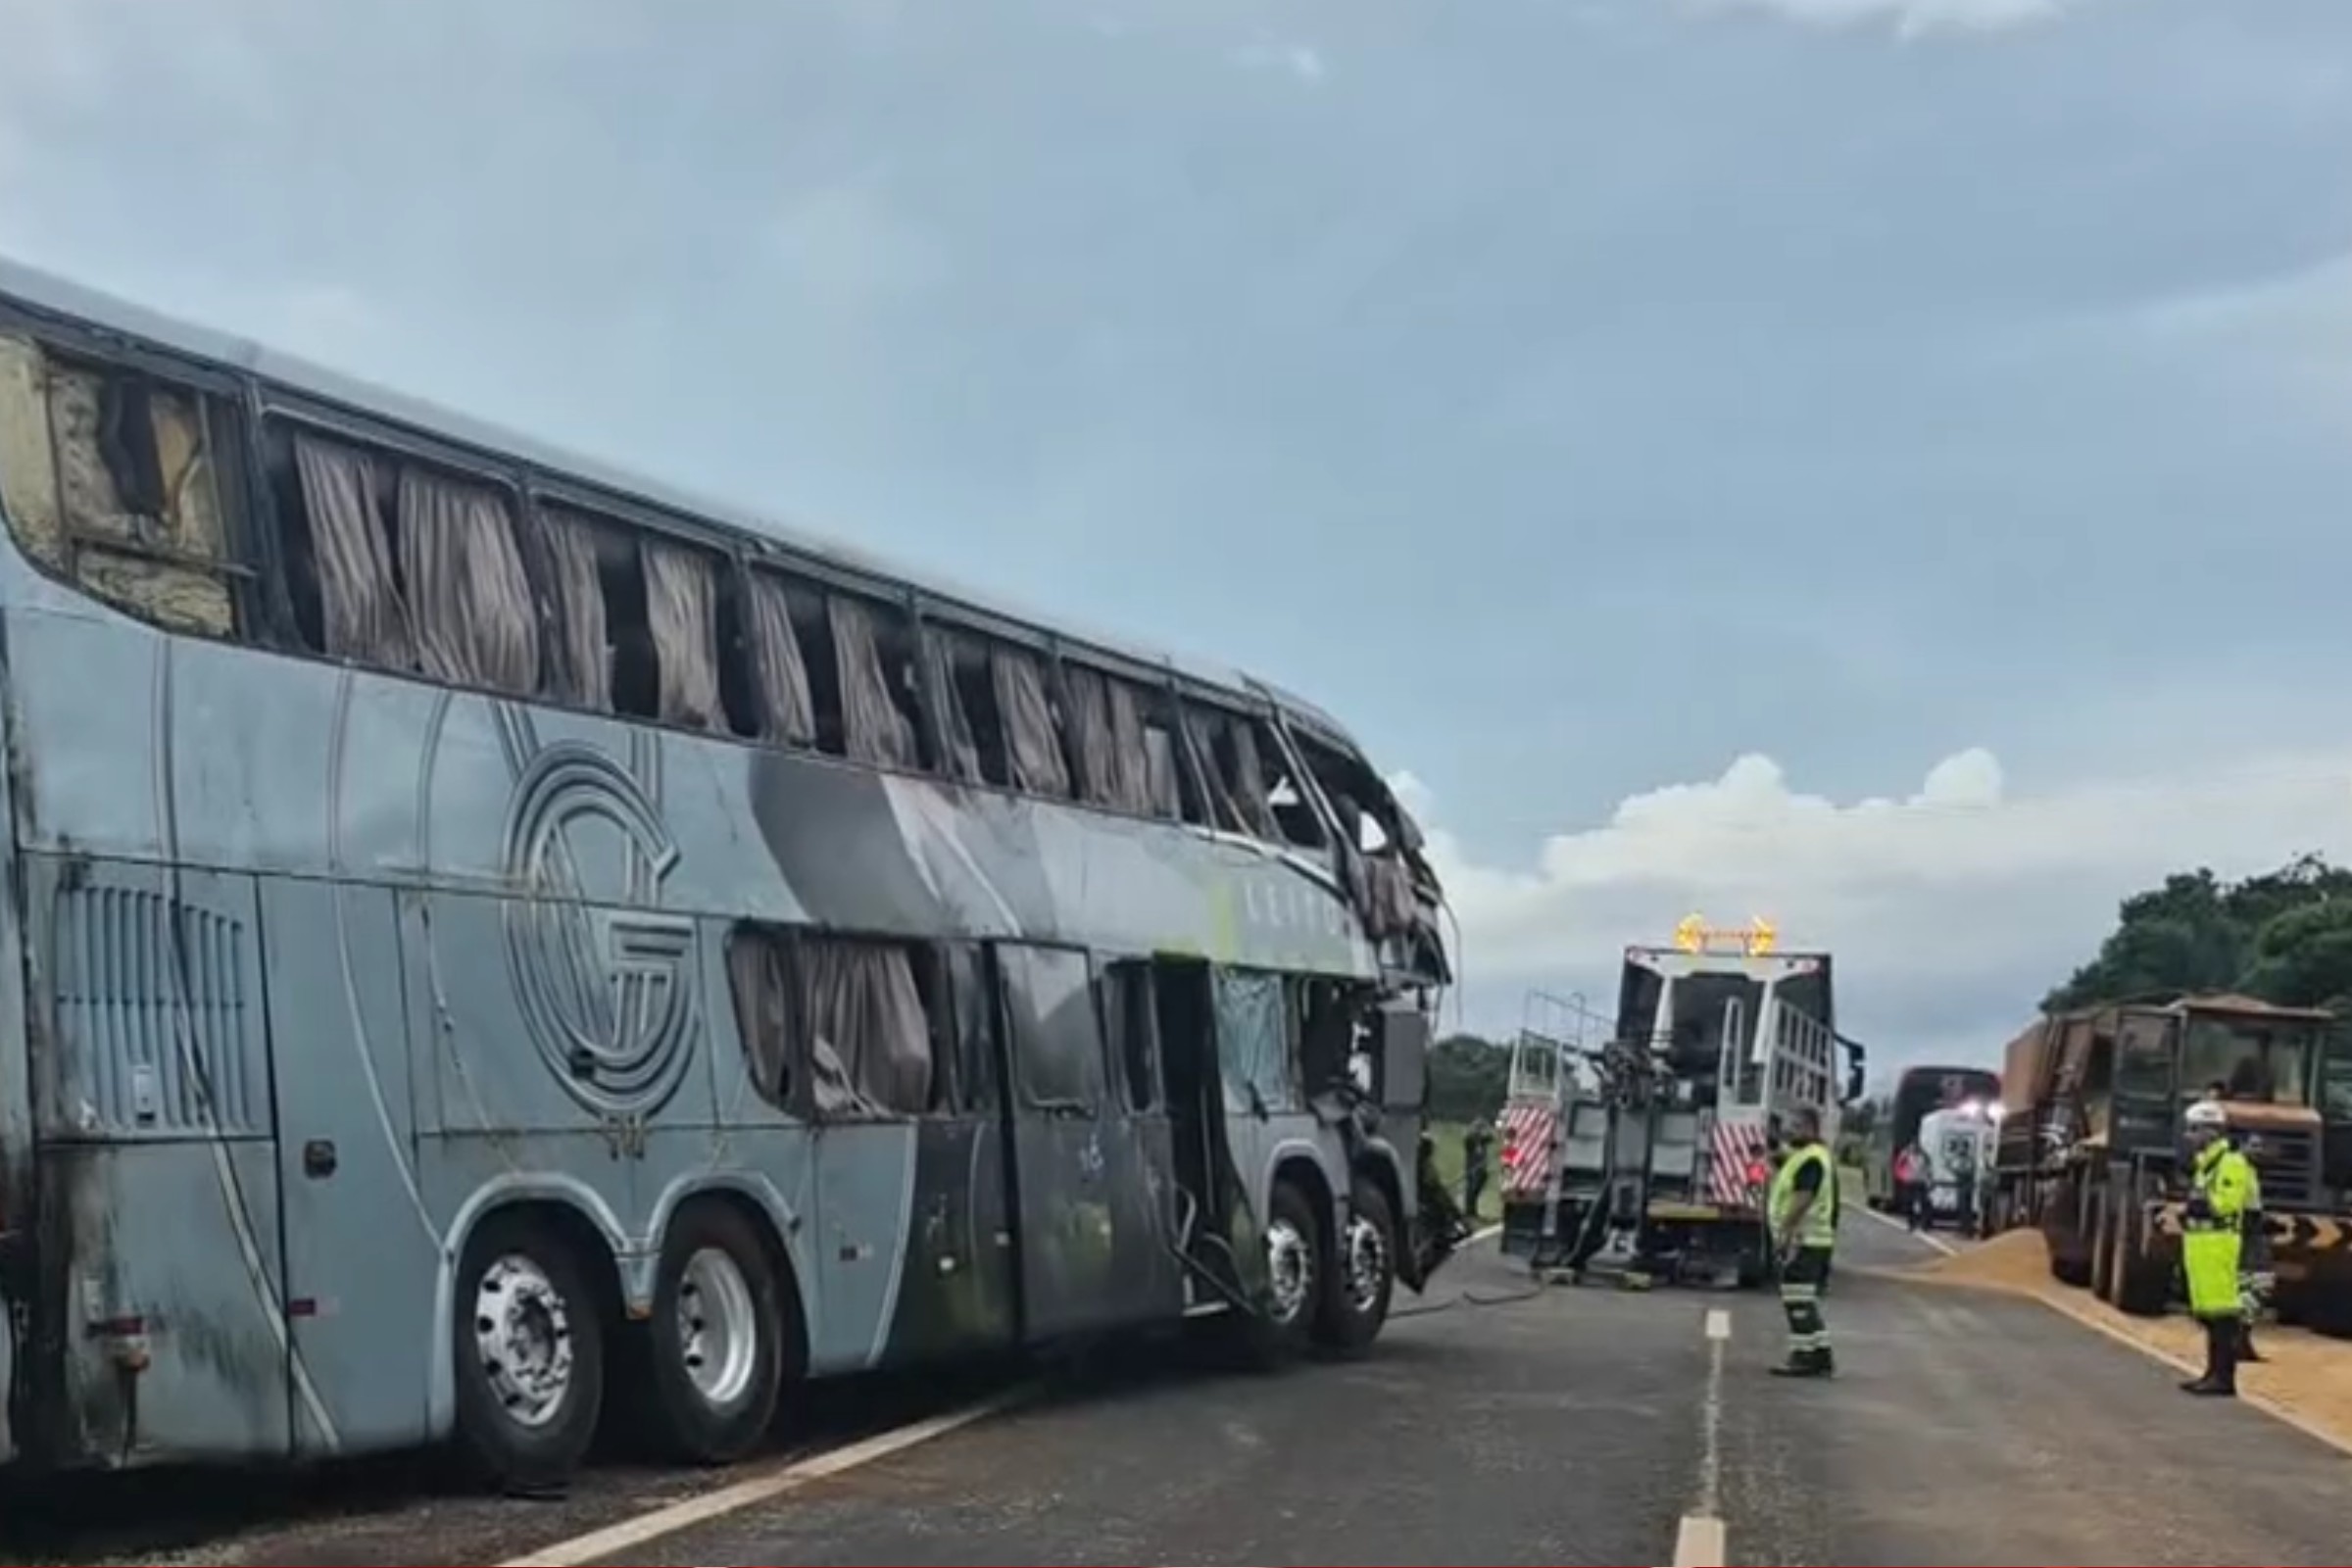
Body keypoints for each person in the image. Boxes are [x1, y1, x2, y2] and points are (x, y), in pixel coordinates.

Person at [2180, 1098, 2256, 1397]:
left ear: (2210, 1132)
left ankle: (2223, 1378)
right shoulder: (2206, 1165)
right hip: (2202, 1243)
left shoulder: (2230, 1163)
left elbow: (2227, 1203)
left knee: (2222, 1313)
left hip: (2219, 1243)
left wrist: (2203, 1205)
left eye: (2193, 1130)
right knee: (2208, 1313)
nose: (2189, 1137)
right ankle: (2212, 1373)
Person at [1768, 1104, 1838, 1378]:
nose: (1790, 1130)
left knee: (1797, 1299)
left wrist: (1785, 1232)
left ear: (1810, 1128)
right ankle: (1820, 1353)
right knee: (1804, 1298)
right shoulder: (1808, 1156)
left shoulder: (1811, 1159)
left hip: (1805, 1239)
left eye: (1796, 1125)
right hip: (1812, 1240)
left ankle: (1804, 1356)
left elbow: (1802, 1198)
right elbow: (1784, 1162)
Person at [1462, 1120, 1494, 1220]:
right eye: (1477, 1129)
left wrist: (1487, 1127)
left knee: (1478, 1186)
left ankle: (1472, 1210)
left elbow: (1492, 1137)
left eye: (1480, 1129)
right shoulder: (1470, 1140)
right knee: (1471, 1188)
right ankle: (1469, 1211)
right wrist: (1474, 1132)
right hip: (1472, 1167)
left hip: (1481, 1168)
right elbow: (1468, 1141)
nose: (1479, 1131)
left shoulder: (1482, 1140)